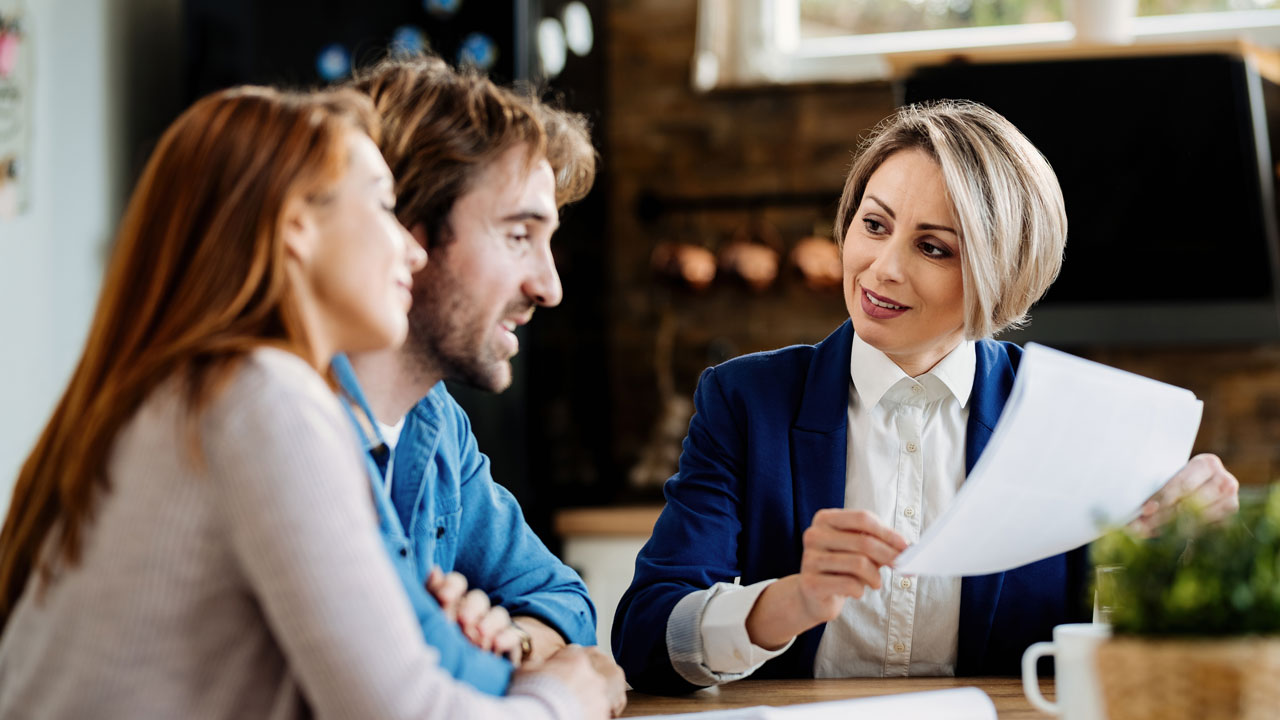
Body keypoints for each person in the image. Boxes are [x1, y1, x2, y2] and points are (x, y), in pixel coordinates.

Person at [0, 85, 609, 719]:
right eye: (383, 207)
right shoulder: (265, 398)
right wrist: (563, 695)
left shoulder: (228, 390)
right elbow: (408, 708)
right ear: (299, 229)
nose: (408, 245)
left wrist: (495, 648)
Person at [612, 100, 1241, 694]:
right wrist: (790, 601)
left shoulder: (1064, 414)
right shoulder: (746, 400)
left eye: (933, 247)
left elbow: (1128, 648)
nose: (881, 267)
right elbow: (644, 637)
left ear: (1001, 274)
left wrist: (1181, 551)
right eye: (874, 224)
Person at [331, 54, 624, 708]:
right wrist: (555, 681)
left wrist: (512, 641)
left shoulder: (434, 425)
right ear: (405, 228)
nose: (548, 288)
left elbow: (561, 597)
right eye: (519, 235)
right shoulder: (299, 420)